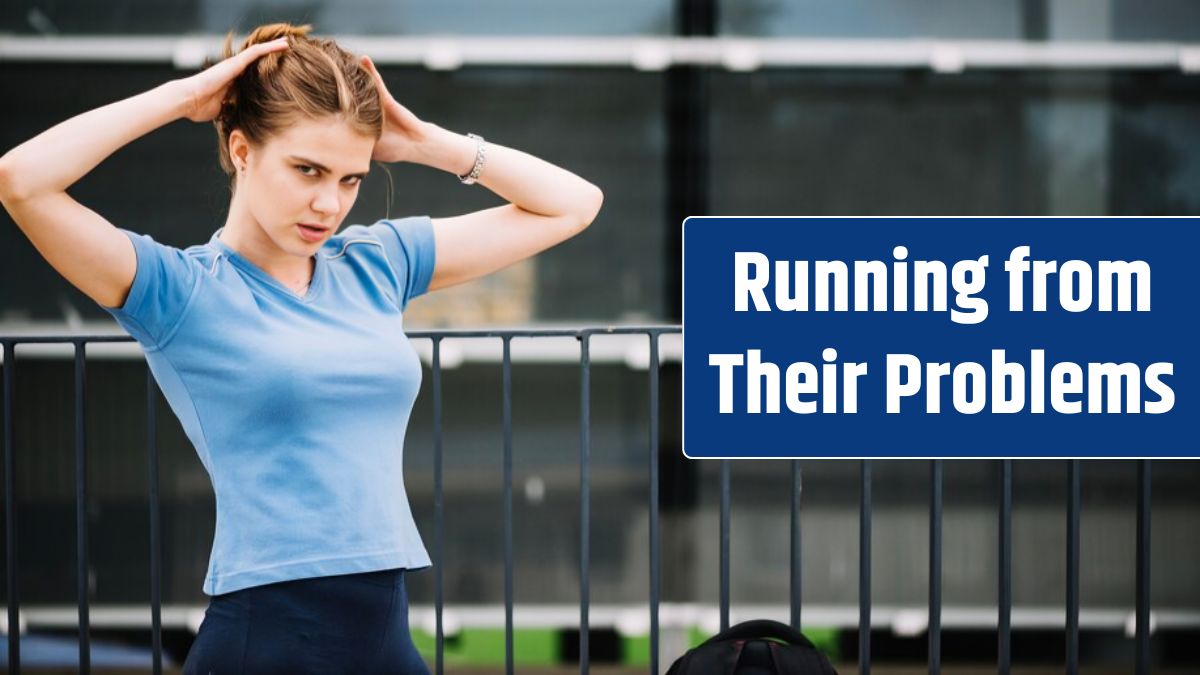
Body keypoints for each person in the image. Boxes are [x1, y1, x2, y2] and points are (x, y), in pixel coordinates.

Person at [0, 21, 602, 674]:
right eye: (307, 169)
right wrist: (182, 98)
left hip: (382, 622)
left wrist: (430, 143)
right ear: (241, 149)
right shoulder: (180, 292)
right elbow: (22, 181)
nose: (328, 202)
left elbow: (573, 205)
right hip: (267, 633)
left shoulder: (378, 262)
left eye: (350, 178)